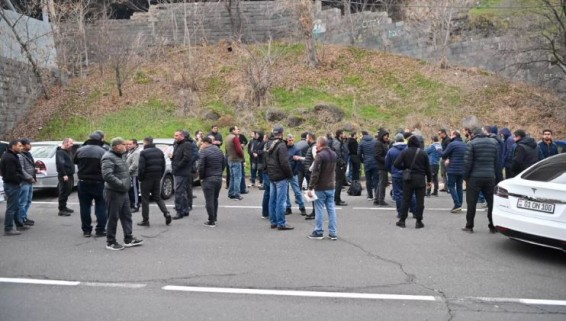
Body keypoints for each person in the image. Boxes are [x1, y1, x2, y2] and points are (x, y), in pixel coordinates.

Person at [102, 137, 144, 250]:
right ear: (116, 146)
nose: (126, 146)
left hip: (123, 191)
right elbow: (107, 175)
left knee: (127, 215)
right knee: (113, 217)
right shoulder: (108, 157)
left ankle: (128, 238)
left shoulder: (120, 156)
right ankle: (110, 242)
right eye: (124, 144)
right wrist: (121, 184)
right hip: (114, 192)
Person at [462, 127, 499, 234]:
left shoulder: (472, 143)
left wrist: (465, 177)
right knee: (491, 202)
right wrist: (495, 175)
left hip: (474, 177)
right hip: (490, 177)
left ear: (474, 134)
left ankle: (469, 226)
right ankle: (492, 225)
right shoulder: (494, 143)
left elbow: (467, 163)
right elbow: (497, 162)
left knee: (471, 202)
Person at [393, 135, 432, 229]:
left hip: (408, 179)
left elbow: (396, 163)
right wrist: (429, 181)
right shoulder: (423, 153)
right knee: (420, 201)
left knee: (406, 200)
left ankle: (402, 220)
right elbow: (428, 169)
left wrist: (405, 168)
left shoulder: (405, 152)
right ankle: (419, 221)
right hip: (420, 179)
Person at [74, 133, 108, 237]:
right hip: (99, 182)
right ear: (100, 140)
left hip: (83, 182)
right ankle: (100, 229)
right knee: (101, 206)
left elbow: (74, 161)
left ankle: (86, 230)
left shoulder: (80, 150)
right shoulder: (103, 151)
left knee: (84, 207)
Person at [307, 136, 338, 240]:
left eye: (317, 144)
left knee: (319, 209)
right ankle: (333, 232)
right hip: (331, 185)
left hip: (321, 186)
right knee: (331, 209)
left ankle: (318, 231)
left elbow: (315, 173)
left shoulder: (319, 156)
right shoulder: (334, 154)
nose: (316, 145)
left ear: (320, 144)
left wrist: (310, 187)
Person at [137, 137, 171, 227]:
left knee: (145, 199)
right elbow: (163, 165)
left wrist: (140, 178)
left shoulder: (143, 153)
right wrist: (159, 176)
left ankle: (145, 220)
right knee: (157, 197)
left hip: (146, 178)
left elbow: (141, 168)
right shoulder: (159, 152)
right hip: (156, 177)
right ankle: (166, 213)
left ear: (145, 143)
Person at [265, 126, 294, 230]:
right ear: (281, 133)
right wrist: (290, 175)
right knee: (281, 201)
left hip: (271, 174)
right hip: (281, 176)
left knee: (272, 200)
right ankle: (281, 223)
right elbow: (284, 163)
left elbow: (266, 160)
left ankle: (273, 222)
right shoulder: (281, 145)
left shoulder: (268, 144)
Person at [385, 133, 415, 219]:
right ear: (403, 140)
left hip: (396, 175)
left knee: (398, 194)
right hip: (408, 174)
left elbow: (387, 164)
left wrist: (392, 171)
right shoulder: (408, 149)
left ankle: (401, 212)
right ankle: (414, 211)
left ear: (395, 140)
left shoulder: (391, 151)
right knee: (410, 193)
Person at [199, 136, 226, 227]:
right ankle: (214, 217)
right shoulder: (219, 150)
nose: (201, 145)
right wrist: (219, 173)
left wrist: (201, 177)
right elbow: (224, 163)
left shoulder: (204, 151)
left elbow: (201, 166)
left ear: (205, 143)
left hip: (208, 178)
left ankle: (211, 221)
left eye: (202, 143)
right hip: (218, 178)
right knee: (215, 199)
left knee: (209, 200)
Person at [1, 140, 25, 235]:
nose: (21, 147)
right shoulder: (9, 157)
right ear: (13, 146)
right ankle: (8, 228)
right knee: (11, 208)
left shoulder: (10, 156)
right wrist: (19, 180)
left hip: (12, 184)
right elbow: (11, 174)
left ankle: (19, 224)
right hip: (12, 185)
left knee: (16, 205)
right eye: (19, 146)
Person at [442, 130, 467, 213]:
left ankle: (457, 204)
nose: (450, 136)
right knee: (459, 186)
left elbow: (444, 154)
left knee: (451, 186)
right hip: (462, 169)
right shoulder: (464, 144)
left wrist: (438, 151)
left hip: (453, 169)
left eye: (451, 135)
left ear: (455, 135)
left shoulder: (452, 144)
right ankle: (460, 203)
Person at [171, 130, 193, 219]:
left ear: (182, 136)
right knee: (182, 191)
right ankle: (185, 210)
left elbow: (186, 158)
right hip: (178, 171)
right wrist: (172, 157)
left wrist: (177, 167)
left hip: (182, 172)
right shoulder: (177, 144)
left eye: (177, 135)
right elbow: (178, 157)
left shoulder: (187, 145)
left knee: (179, 192)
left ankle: (179, 211)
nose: (175, 137)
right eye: (174, 135)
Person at [286, 134, 307, 215]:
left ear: (293, 140)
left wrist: (294, 172)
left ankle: (302, 207)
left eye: (291, 140)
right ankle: (288, 207)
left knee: (297, 192)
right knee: (285, 192)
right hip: (285, 173)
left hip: (293, 173)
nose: (290, 141)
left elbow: (299, 162)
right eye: (289, 140)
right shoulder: (284, 148)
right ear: (287, 140)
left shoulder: (296, 149)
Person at [18, 138, 36, 226]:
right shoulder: (20, 155)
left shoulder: (28, 154)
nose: (30, 145)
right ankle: (21, 220)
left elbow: (29, 166)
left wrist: (35, 170)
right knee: (23, 201)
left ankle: (24, 217)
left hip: (29, 181)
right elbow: (21, 169)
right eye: (29, 144)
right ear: (24, 145)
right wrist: (30, 177)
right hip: (24, 181)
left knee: (28, 200)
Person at [56, 138, 75, 216]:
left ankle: (64, 206)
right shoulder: (60, 152)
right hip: (65, 175)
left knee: (68, 190)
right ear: (66, 143)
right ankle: (61, 209)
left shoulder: (68, 152)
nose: (72, 145)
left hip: (70, 175)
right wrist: (64, 174)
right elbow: (60, 164)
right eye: (71, 143)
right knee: (63, 191)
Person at [225, 126, 245, 200]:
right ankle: (237, 194)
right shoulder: (235, 138)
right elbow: (239, 150)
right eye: (237, 129)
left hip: (230, 158)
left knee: (232, 177)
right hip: (236, 159)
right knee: (237, 177)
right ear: (233, 130)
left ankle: (231, 193)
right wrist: (242, 157)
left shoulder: (227, 137)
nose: (238, 131)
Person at [357, 130, 377, 200]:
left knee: (368, 180)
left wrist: (363, 161)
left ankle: (370, 195)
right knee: (376, 179)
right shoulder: (375, 141)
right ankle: (376, 195)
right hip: (375, 162)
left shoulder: (361, 143)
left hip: (367, 163)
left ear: (363, 135)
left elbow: (359, 154)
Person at [332, 129, 349, 206]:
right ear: (340, 134)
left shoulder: (340, 142)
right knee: (339, 183)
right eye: (343, 134)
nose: (344, 135)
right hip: (339, 166)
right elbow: (337, 155)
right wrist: (342, 163)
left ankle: (338, 198)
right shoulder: (337, 143)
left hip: (341, 164)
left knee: (339, 182)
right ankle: (337, 200)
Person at [374, 129, 390, 206]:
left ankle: (377, 199)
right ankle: (381, 200)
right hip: (381, 166)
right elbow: (377, 156)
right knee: (382, 183)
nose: (387, 137)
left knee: (381, 183)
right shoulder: (379, 144)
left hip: (384, 166)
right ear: (382, 136)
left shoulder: (384, 143)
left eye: (387, 136)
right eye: (385, 135)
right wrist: (386, 160)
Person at [126, 139, 141, 212]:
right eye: (128, 144)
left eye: (130, 144)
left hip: (134, 174)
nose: (128, 145)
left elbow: (135, 164)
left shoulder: (136, 153)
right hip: (129, 174)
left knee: (135, 190)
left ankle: (136, 205)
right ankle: (131, 204)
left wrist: (127, 171)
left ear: (135, 144)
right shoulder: (130, 152)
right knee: (130, 190)